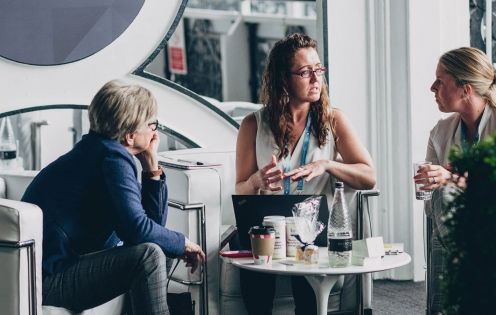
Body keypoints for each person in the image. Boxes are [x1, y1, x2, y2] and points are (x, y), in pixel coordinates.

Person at [22, 80, 205, 314]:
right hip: (49, 280)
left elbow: (150, 230)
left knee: (159, 249)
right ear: (129, 136)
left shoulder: (97, 150)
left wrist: (152, 168)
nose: (155, 131)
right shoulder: (113, 158)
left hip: (51, 271)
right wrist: (182, 242)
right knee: (150, 255)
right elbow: (137, 230)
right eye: (152, 124)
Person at [235, 33, 376, 315]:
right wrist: (256, 181)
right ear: (284, 80)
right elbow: (240, 190)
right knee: (256, 281)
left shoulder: (333, 120)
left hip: (312, 229)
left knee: (307, 281)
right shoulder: (253, 124)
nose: (316, 79)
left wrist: (327, 165)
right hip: (270, 226)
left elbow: (368, 176)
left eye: (318, 69)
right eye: (305, 72)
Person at [415, 47, 496, 314]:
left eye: (440, 81)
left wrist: (454, 179)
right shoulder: (440, 131)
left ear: (465, 89)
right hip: (453, 231)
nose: (431, 87)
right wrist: (433, 181)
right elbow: (431, 204)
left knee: (446, 201)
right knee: (441, 200)